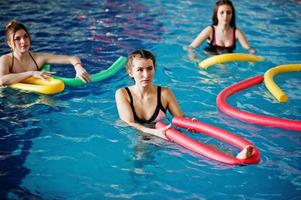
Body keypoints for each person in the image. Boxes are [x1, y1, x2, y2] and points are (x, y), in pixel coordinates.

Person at [115, 49, 253, 159]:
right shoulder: (122, 94)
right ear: (130, 72)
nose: (146, 74)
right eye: (140, 70)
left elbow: (180, 119)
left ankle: (233, 155)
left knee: (193, 147)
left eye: (150, 68)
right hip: (142, 136)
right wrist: (155, 132)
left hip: (166, 134)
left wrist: (189, 124)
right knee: (139, 158)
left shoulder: (164, 93)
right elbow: (130, 124)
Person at [0, 20, 90, 86]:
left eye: (25, 36)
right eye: (17, 39)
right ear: (9, 43)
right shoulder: (5, 60)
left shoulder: (38, 58)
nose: (23, 41)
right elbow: (2, 80)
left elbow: (72, 58)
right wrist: (31, 73)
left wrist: (78, 67)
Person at [186, 0, 256, 59]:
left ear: (232, 15)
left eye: (228, 13)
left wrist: (252, 53)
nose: (225, 16)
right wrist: (193, 57)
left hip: (227, 59)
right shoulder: (210, 30)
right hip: (210, 58)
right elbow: (190, 47)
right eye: (222, 12)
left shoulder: (236, 32)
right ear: (216, 14)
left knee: (224, 68)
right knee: (222, 67)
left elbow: (249, 48)